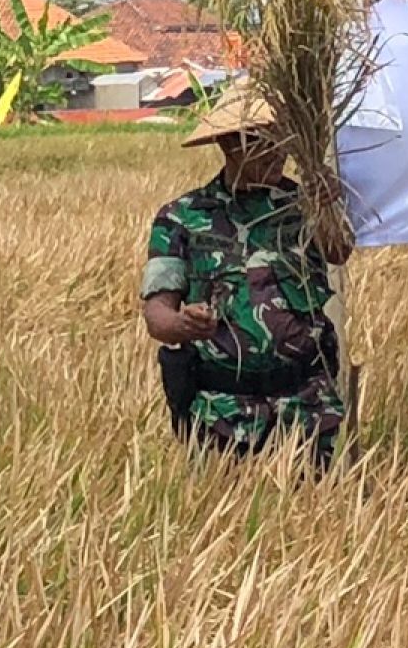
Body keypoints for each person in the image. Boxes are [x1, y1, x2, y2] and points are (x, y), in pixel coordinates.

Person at [140, 81, 354, 469]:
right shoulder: (182, 217)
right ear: (230, 145)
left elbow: (339, 251)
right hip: (223, 415)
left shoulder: (302, 206)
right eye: (263, 144)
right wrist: (184, 324)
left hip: (307, 407)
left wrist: (327, 205)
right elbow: (158, 315)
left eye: (283, 142)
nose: (278, 156)